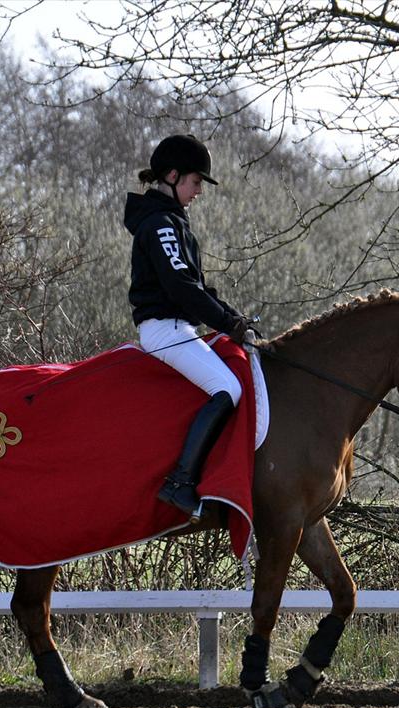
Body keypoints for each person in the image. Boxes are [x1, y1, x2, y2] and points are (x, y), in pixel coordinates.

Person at [125, 134, 250, 515]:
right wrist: (227, 322)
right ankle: (180, 483)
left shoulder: (172, 221)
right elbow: (181, 288)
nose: (198, 191)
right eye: (196, 182)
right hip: (165, 329)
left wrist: (235, 318)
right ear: (173, 175)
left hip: (179, 327)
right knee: (227, 388)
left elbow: (197, 286)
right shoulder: (162, 224)